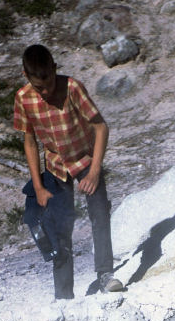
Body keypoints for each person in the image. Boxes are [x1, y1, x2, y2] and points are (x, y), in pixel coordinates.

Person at [13, 44, 123, 299]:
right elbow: (29, 141)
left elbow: (100, 127)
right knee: (59, 228)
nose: (46, 90)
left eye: (49, 82)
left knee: (99, 214)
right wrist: (38, 187)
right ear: (25, 76)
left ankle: (105, 274)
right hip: (55, 166)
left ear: (54, 69)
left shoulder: (73, 87)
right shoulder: (23, 98)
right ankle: (64, 295)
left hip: (85, 159)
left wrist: (95, 170)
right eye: (39, 87)